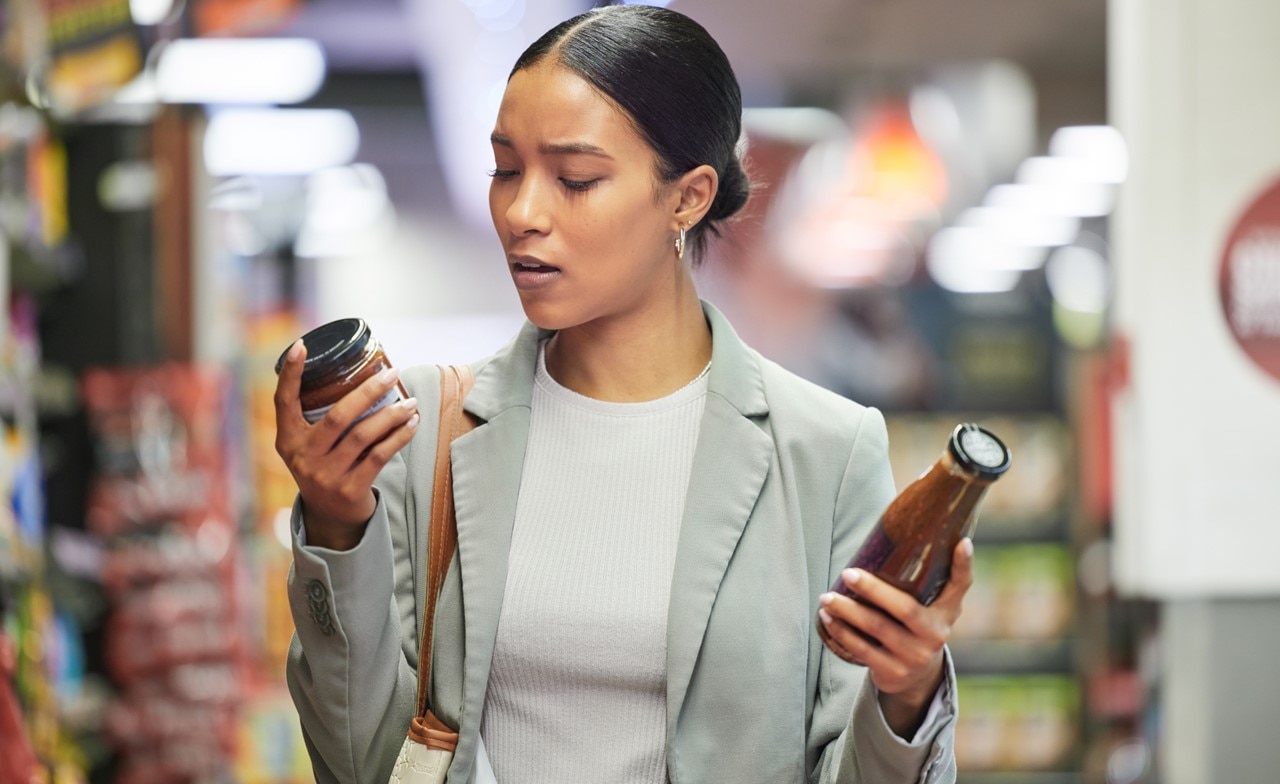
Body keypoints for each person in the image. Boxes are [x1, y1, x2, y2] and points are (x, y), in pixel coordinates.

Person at [274, 5, 970, 783]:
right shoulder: (425, 430)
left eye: (576, 179)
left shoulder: (826, 453)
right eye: (506, 169)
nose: (522, 213)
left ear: (688, 197)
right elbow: (360, 763)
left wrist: (907, 693)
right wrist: (337, 532)